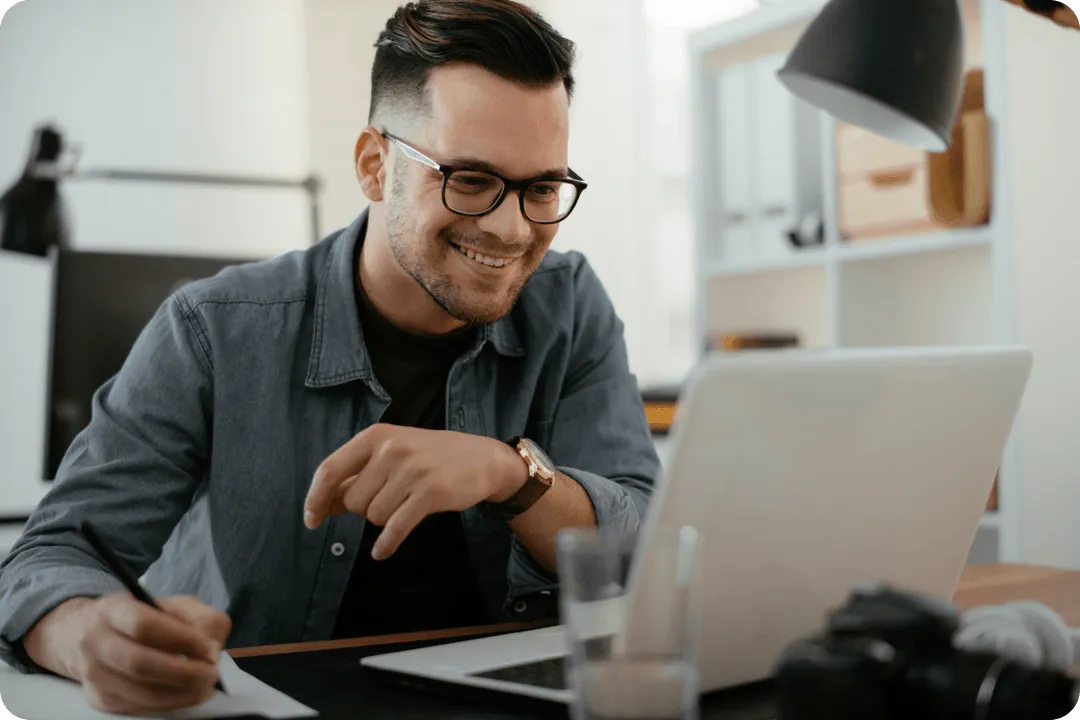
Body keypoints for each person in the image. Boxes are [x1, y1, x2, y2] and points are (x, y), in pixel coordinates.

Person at [0, 0, 658, 714]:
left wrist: (509, 474)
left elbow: (643, 548)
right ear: (376, 167)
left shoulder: (571, 304)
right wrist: (89, 636)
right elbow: (47, 559)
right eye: (469, 180)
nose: (510, 228)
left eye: (541, 188)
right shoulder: (212, 330)